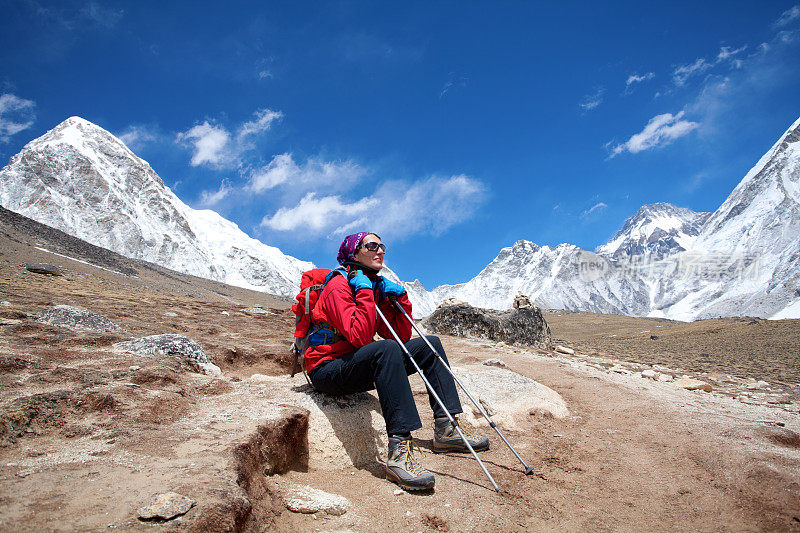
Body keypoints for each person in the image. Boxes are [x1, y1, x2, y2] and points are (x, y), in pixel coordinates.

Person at [304, 231, 489, 491]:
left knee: (429, 344)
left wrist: (399, 298)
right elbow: (359, 336)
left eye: (382, 246)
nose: (379, 251)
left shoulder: (368, 284)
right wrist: (366, 293)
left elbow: (400, 336)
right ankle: (399, 452)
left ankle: (447, 429)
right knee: (385, 350)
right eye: (371, 246)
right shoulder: (339, 285)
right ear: (354, 253)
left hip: (354, 365)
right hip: (327, 370)